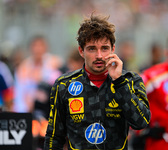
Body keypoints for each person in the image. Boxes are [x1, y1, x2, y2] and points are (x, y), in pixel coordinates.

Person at [44, 14, 151, 150]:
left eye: (104, 48)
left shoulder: (130, 80)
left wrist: (119, 82)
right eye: (92, 49)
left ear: (113, 49)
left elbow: (141, 122)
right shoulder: (64, 84)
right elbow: (54, 137)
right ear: (81, 51)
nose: (99, 56)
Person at [14, 35, 63, 112]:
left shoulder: (55, 63)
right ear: (30, 48)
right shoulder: (23, 67)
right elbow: (19, 93)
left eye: (41, 45)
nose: (38, 49)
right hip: (28, 109)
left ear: (46, 47)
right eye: (35, 46)